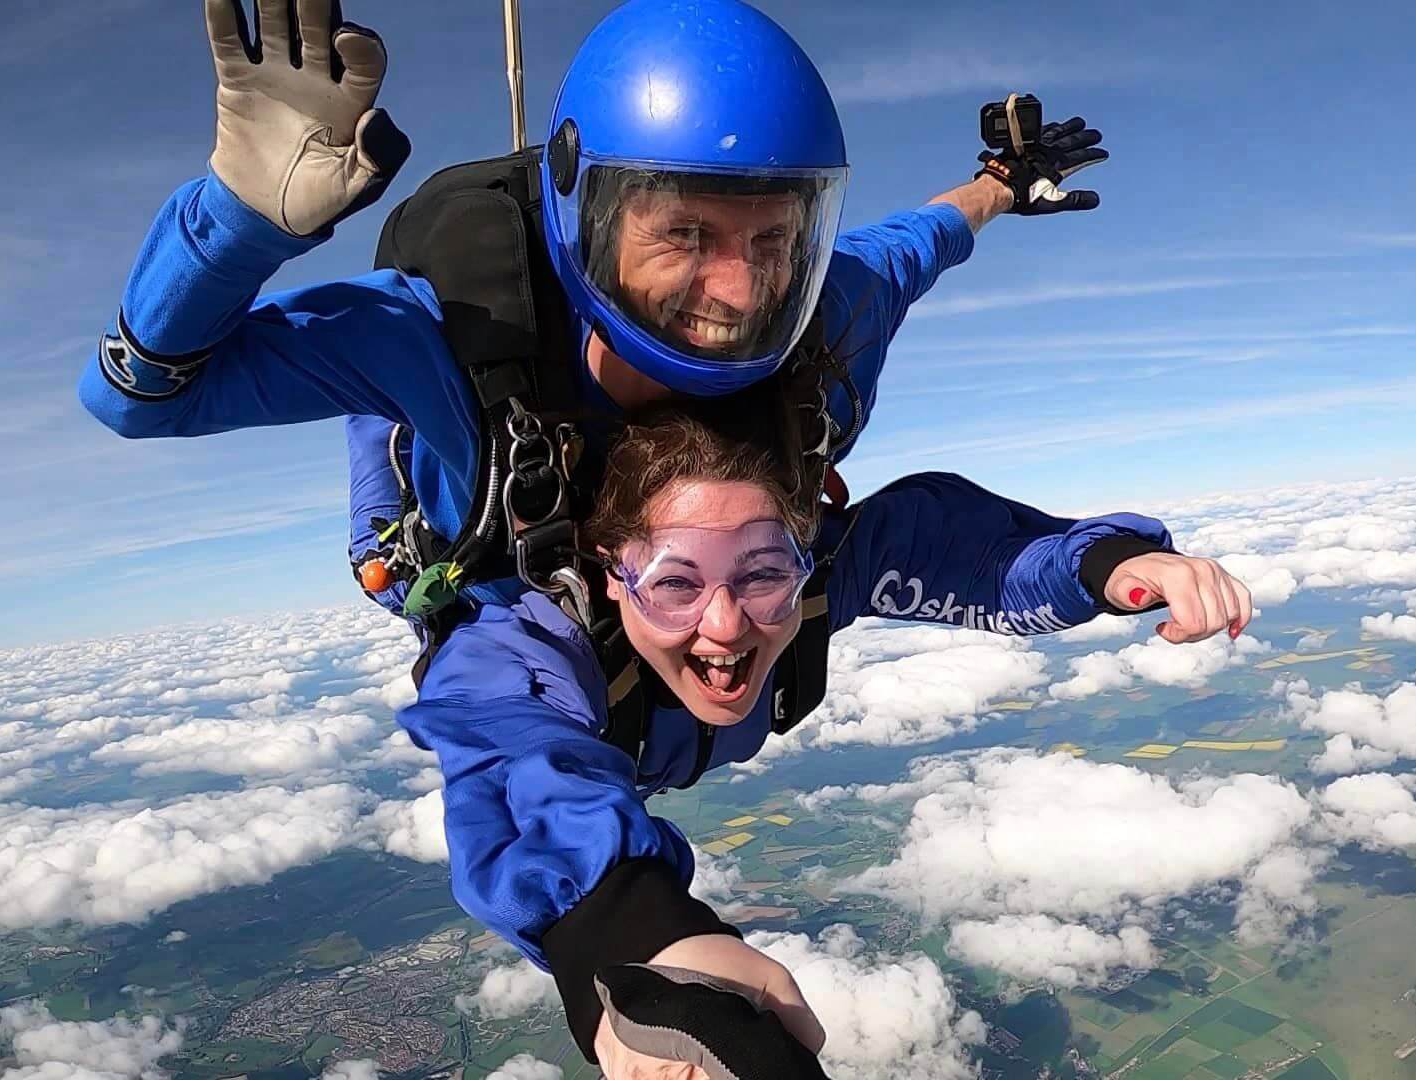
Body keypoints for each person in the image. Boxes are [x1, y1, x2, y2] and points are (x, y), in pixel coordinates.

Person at [80, 0, 1111, 1066]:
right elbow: (140, 396)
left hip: (630, 576)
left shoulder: (825, 318)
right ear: (593, 216)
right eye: (684, 233)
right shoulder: (449, 337)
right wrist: (241, 217)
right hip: (480, 516)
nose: (736, 290)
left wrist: (995, 185)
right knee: (418, 577)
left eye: (774, 238)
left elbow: (914, 243)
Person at [420, 401, 1253, 1073]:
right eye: (675, 583)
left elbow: (956, 547)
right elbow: (510, 751)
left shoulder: (821, 581)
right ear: (610, 573)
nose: (726, 623)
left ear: (803, 560)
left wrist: (1104, 565)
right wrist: (632, 937)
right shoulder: (527, 644)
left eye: (764, 574)